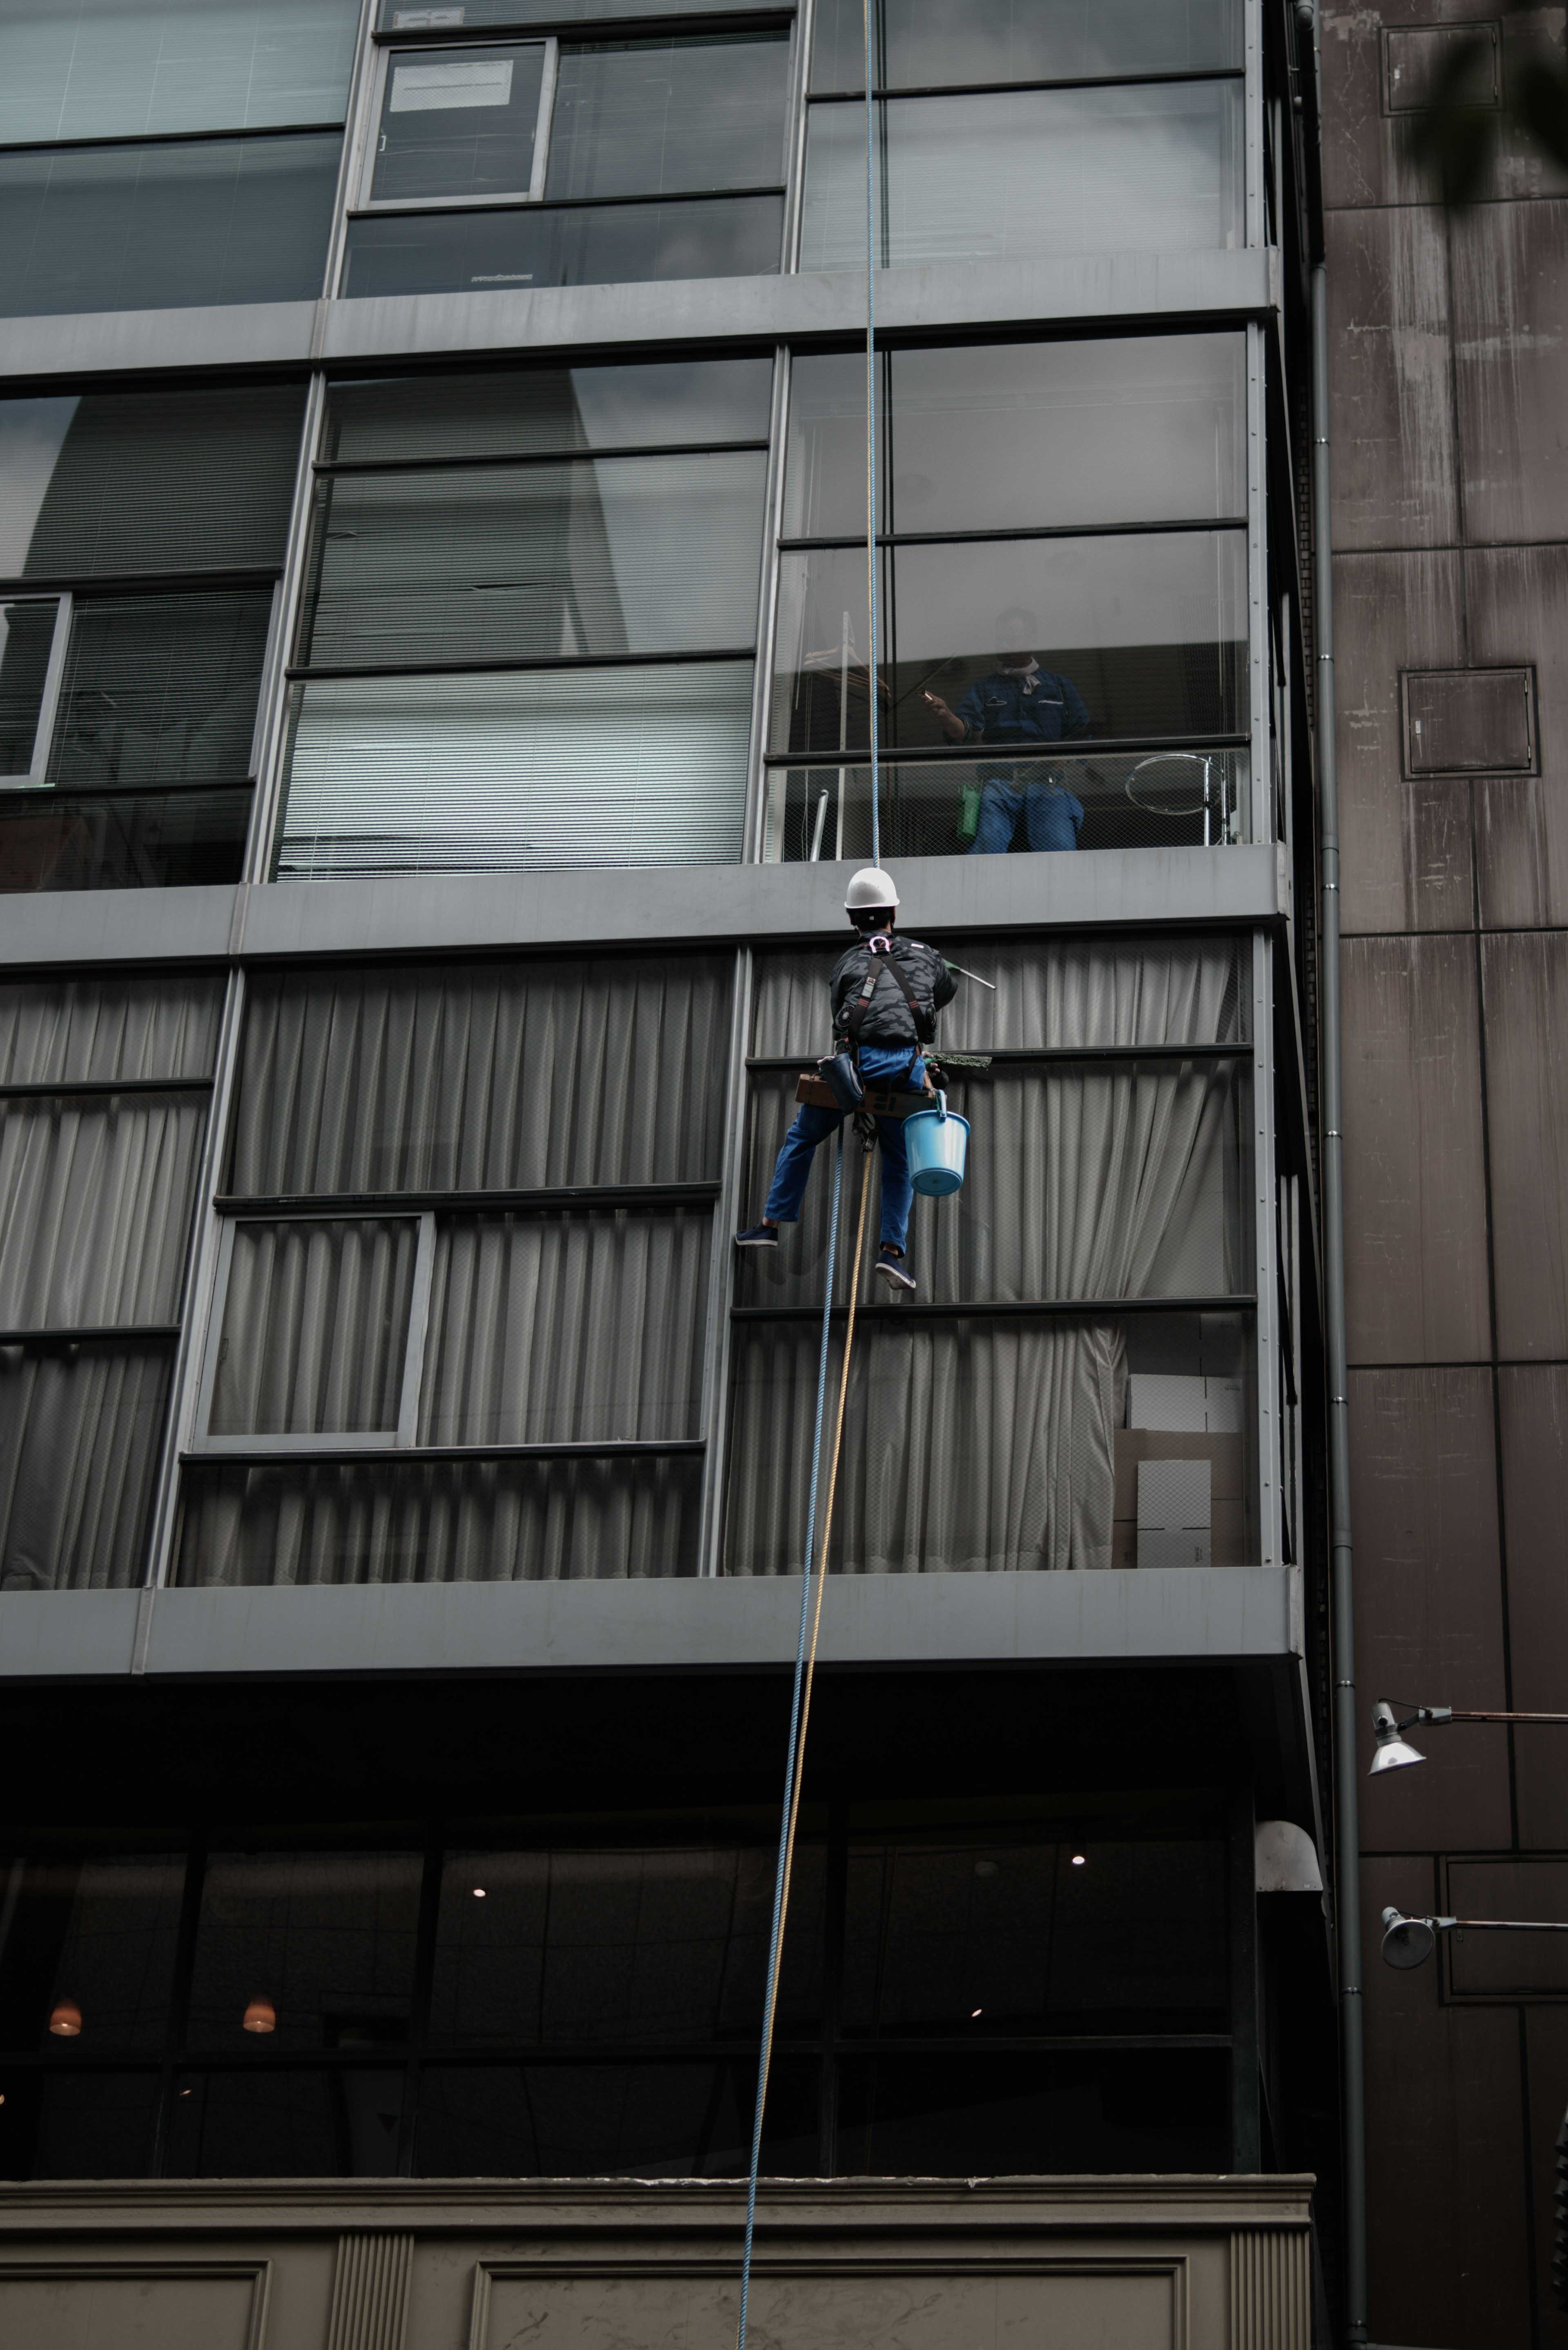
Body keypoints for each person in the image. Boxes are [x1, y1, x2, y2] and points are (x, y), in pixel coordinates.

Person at [735, 865, 957, 1292]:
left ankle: (769, 1225)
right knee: (899, 1159)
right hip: (905, 1071)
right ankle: (892, 1253)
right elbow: (942, 993)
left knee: (802, 1139)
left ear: (853, 919)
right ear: (893, 910)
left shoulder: (847, 962)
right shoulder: (927, 955)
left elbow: (841, 1018)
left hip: (856, 1070)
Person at [921, 604, 1089, 854]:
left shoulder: (1059, 686)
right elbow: (964, 733)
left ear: (1032, 640)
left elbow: (1083, 734)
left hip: (1047, 784)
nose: (1006, 646)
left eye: (1014, 639)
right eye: (1001, 640)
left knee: (1059, 846)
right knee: (988, 844)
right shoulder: (984, 688)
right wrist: (946, 716)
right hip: (999, 784)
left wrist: (1064, 756)